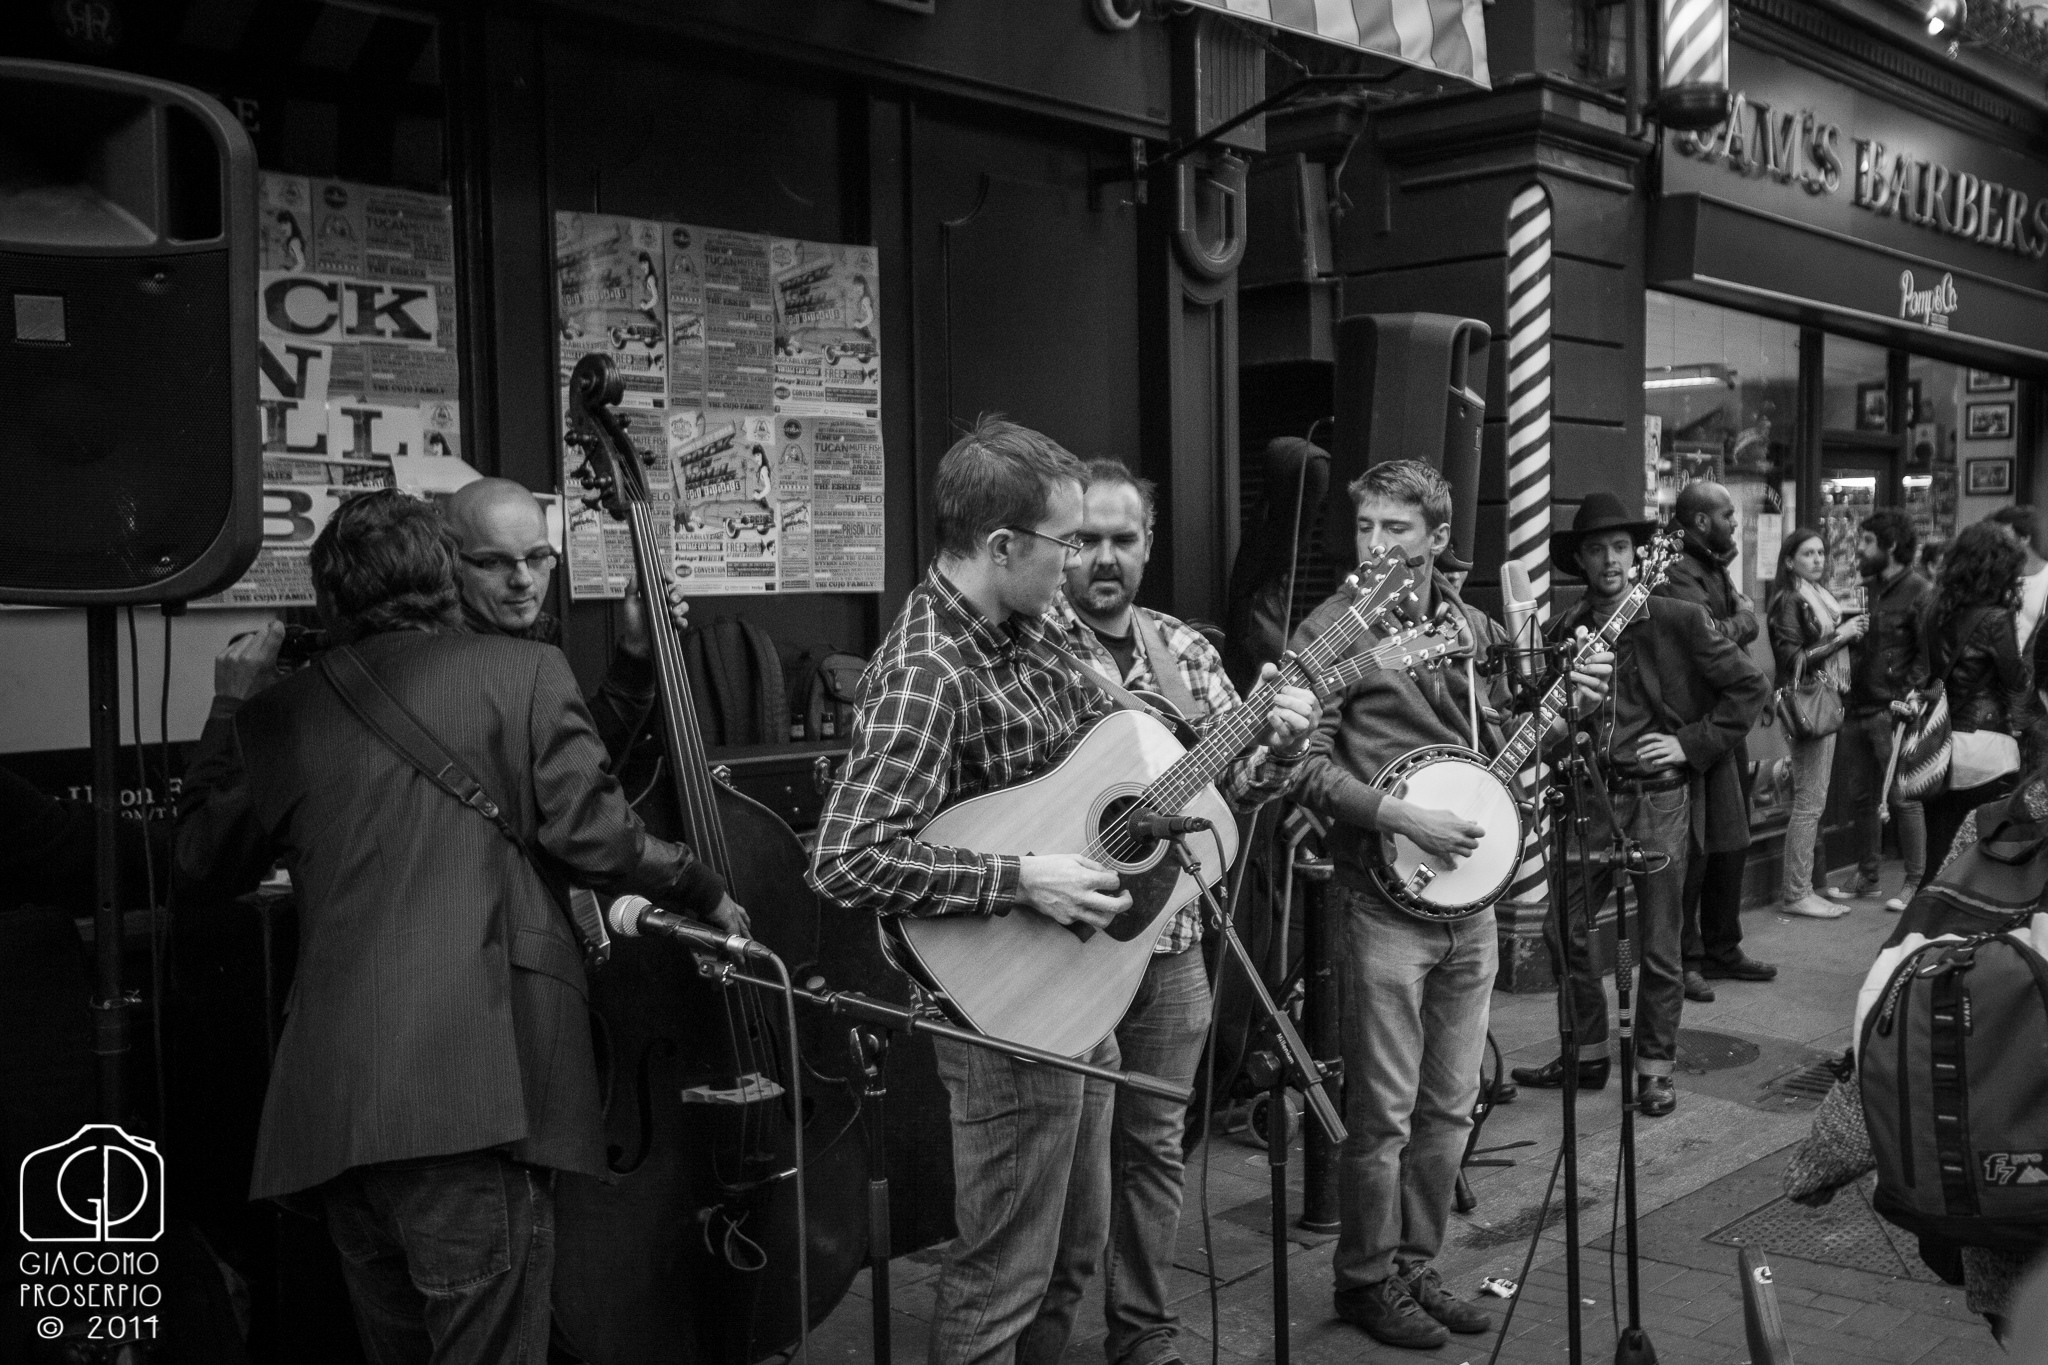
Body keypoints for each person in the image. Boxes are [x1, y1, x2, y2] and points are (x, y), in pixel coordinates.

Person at [175, 490, 747, 1364]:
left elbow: (201, 861)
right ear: (447, 573)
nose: (522, 579)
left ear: (330, 597)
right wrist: (701, 882)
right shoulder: (520, 672)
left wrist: (230, 707)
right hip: (469, 1104)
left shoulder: (282, 712)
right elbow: (594, 833)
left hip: (332, 1126)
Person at [807, 419, 1316, 1365]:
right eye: (1066, 542)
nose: (1080, 562)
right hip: (1000, 1013)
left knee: (1066, 1258)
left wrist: (1255, 738)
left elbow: (1126, 769)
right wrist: (1019, 877)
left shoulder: (1032, 630)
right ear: (1002, 547)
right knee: (1000, 1279)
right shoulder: (928, 672)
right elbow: (843, 859)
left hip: (1075, 990)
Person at [1284, 461, 1610, 1351]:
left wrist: (1569, 705)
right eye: (1366, 529)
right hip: (1381, 900)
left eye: (1397, 529)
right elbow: (1299, 768)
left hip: (1471, 904)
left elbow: (1508, 735)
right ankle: (1361, 1279)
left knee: (1452, 1103)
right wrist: (1399, 814)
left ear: (1436, 538)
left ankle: (1414, 1262)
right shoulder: (1328, 631)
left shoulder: (1475, 629)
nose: (1377, 546)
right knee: (1383, 1112)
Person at [1047, 458, 1303, 1365]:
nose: (1104, 558)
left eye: (1123, 538)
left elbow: (1239, 785)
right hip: (1061, 943)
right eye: (1084, 540)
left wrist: (1276, 745)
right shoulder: (1030, 642)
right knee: (1066, 1168)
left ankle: (1145, 1333)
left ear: (1149, 544)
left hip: (1175, 940)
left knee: (1154, 1146)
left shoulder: (1185, 651)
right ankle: (1039, 1335)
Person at [1511, 493, 1768, 1119]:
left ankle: (1654, 1070)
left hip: (1658, 801)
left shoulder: (1677, 616)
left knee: (1659, 946)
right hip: (1590, 800)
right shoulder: (1563, 629)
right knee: (1563, 930)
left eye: (1620, 547)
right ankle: (1590, 1053)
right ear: (1582, 560)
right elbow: (1541, 717)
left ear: (1636, 553)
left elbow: (1749, 687)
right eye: (1597, 549)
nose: (1610, 560)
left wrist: (1686, 744)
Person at [446, 477, 679, 766]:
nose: (523, 579)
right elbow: (567, 769)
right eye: (493, 562)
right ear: (453, 565)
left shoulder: (538, 634)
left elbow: (579, 754)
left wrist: (637, 649)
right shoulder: (445, 664)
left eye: (537, 556)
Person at [1656, 481, 1778, 1002]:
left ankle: (1724, 947)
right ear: (1701, 521)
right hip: (1692, 722)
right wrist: (1746, 618)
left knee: (1731, 838)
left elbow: (1722, 631)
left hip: (1724, 719)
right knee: (1697, 849)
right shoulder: (1678, 569)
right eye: (1729, 514)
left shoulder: (1709, 561)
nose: (1737, 522)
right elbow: (1703, 636)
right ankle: (1687, 959)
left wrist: (1739, 622)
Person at [1909, 521, 2033, 884]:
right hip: (1987, 747)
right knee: (1984, 859)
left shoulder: (1933, 608)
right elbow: (2016, 683)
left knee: (1938, 855)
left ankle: (1925, 927)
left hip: (1939, 745)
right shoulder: (1997, 618)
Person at [1766, 528, 1867, 919]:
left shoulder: (1818, 597)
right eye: (1807, 554)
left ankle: (1811, 885)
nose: (1818, 560)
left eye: (1821, 553)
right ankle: (1797, 892)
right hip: (1807, 702)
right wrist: (1841, 636)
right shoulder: (1790, 600)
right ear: (1789, 561)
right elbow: (1791, 659)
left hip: (1822, 699)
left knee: (1812, 799)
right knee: (1810, 803)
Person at [1841, 509, 1930, 912]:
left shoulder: (1919, 591)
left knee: (1901, 796)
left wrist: (1909, 696)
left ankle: (1915, 881)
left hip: (1892, 708)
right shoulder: (1866, 588)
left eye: (1867, 541)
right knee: (1860, 795)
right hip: (1857, 704)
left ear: (1891, 546)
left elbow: (1926, 656)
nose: (1859, 549)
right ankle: (1868, 873)